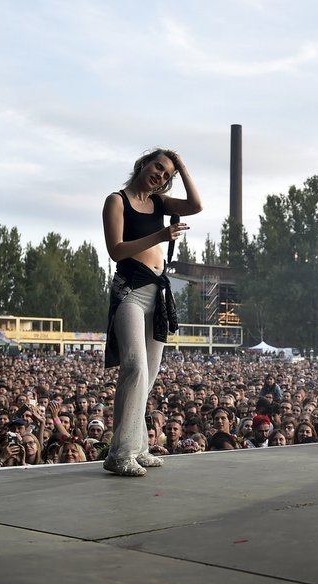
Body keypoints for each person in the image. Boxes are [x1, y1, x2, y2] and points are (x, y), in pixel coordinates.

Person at [101, 148, 202, 476]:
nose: (161, 175)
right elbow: (116, 250)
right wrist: (159, 235)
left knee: (148, 376)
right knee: (134, 367)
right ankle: (120, 455)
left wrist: (182, 166)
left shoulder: (159, 202)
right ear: (143, 164)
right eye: (158, 167)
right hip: (130, 291)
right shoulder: (117, 201)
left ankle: (135, 447)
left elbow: (196, 206)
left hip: (157, 293)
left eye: (168, 173)